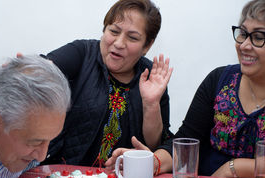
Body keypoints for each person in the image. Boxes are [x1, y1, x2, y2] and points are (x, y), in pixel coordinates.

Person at [106, 0, 265, 178]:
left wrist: (236, 167)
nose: (244, 45)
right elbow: (186, 142)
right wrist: (152, 161)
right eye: (243, 34)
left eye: (258, 37)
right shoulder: (219, 80)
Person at [41, 0, 173, 167]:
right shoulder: (82, 53)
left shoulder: (151, 75)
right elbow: (44, 69)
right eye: (114, 31)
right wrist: (28, 71)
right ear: (104, 29)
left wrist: (151, 104)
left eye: (132, 37)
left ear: (147, 45)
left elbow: (154, 146)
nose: (118, 43)